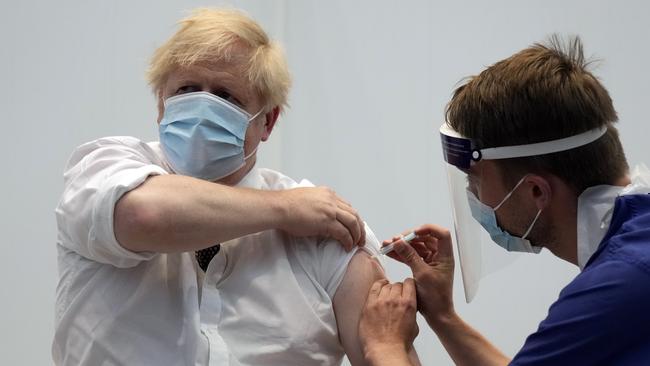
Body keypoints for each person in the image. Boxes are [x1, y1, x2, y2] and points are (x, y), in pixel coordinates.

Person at [53, 8, 420, 366]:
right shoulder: (105, 168)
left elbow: (386, 351)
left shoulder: (323, 227)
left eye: (226, 96)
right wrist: (284, 210)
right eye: (186, 89)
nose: (202, 107)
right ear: (161, 104)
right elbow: (142, 215)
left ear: (268, 122)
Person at [359, 36, 650, 365]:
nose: (473, 196)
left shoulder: (616, 288)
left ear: (536, 191)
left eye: (475, 180)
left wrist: (383, 346)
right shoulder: (635, 250)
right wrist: (443, 317)